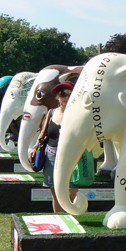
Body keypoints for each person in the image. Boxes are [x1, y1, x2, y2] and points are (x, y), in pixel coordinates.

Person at [29, 80, 78, 212]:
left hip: (72, 156)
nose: (66, 98)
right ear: (58, 96)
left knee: (71, 190)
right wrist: (35, 147)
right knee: (55, 192)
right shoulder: (51, 113)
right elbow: (43, 132)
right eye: (63, 94)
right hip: (51, 155)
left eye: (70, 94)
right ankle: (60, 221)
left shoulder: (78, 114)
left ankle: (71, 217)